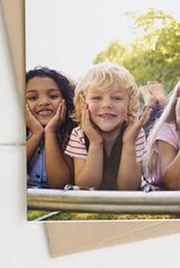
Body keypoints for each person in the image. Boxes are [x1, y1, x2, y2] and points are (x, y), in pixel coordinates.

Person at [64, 62, 152, 190]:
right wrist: (95, 142)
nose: (107, 104)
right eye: (96, 98)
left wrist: (129, 143)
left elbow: (129, 188)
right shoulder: (79, 134)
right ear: (83, 103)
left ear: (129, 103)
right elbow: (86, 186)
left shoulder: (134, 133)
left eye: (116, 98)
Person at [24, 67, 76, 189]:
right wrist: (36, 134)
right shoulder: (14, 132)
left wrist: (50, 132)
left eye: (53, 96)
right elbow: (7, 173)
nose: (44, 102)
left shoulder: (70, 133)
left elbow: (59, 184)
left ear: (65, 101)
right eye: (33, 98)